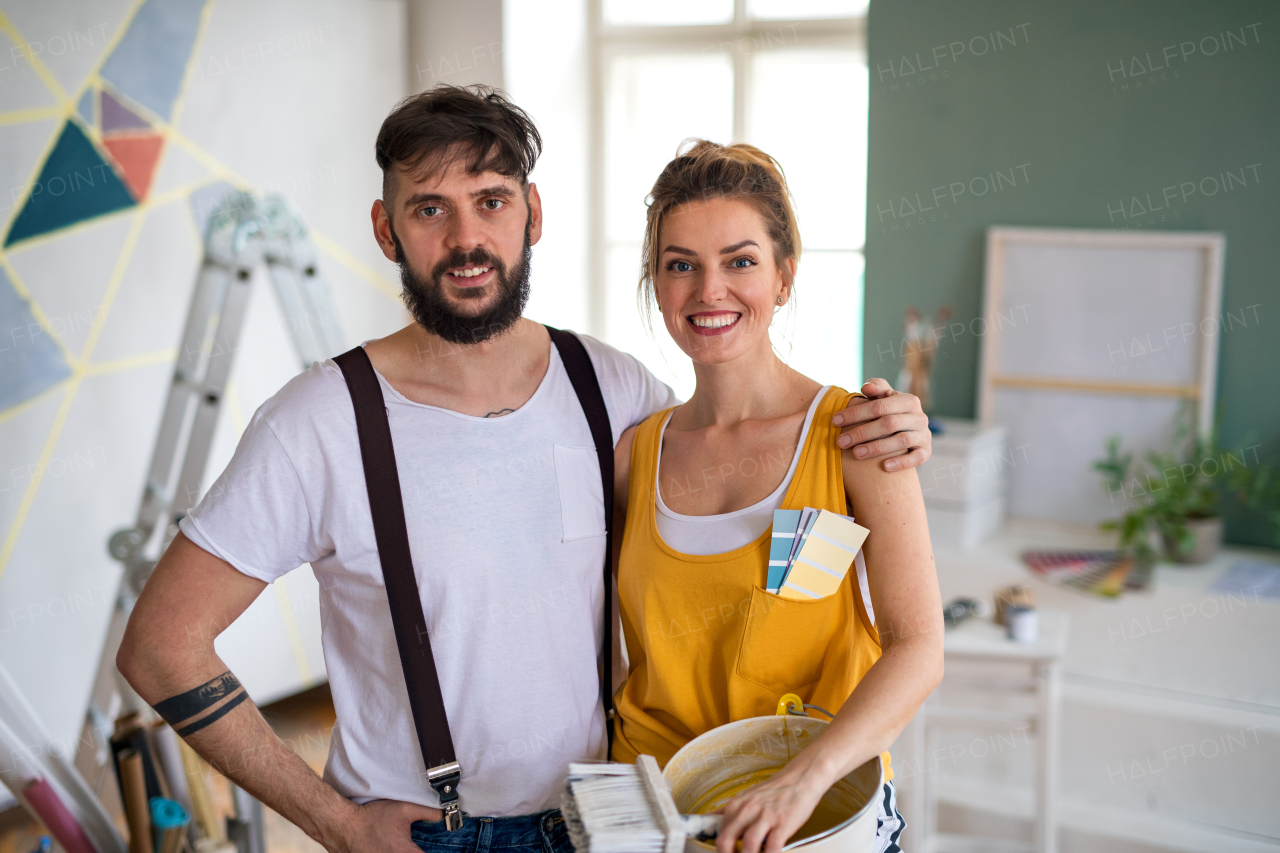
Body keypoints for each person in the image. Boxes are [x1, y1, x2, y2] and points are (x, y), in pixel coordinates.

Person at [115, 86, 935, 853]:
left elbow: (748, 416)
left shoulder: (613, 393)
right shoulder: (318, 422)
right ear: (385, 228)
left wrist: (896, 427)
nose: (465, 238)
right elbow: (160, 646)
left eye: (492, 201)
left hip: (608, 821)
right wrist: (335, 824)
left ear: (532, 214)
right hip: (424, 831)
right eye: (429, 208)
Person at [609, 141, 944, 853]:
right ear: (655, 282)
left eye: (740, 260)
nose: (709, 291)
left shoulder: (859, 434)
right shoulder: (635, 453)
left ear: (784, 276)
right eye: (681, 265)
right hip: (665, 823)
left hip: (817, 822)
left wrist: (804, 778)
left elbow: (918, 647)